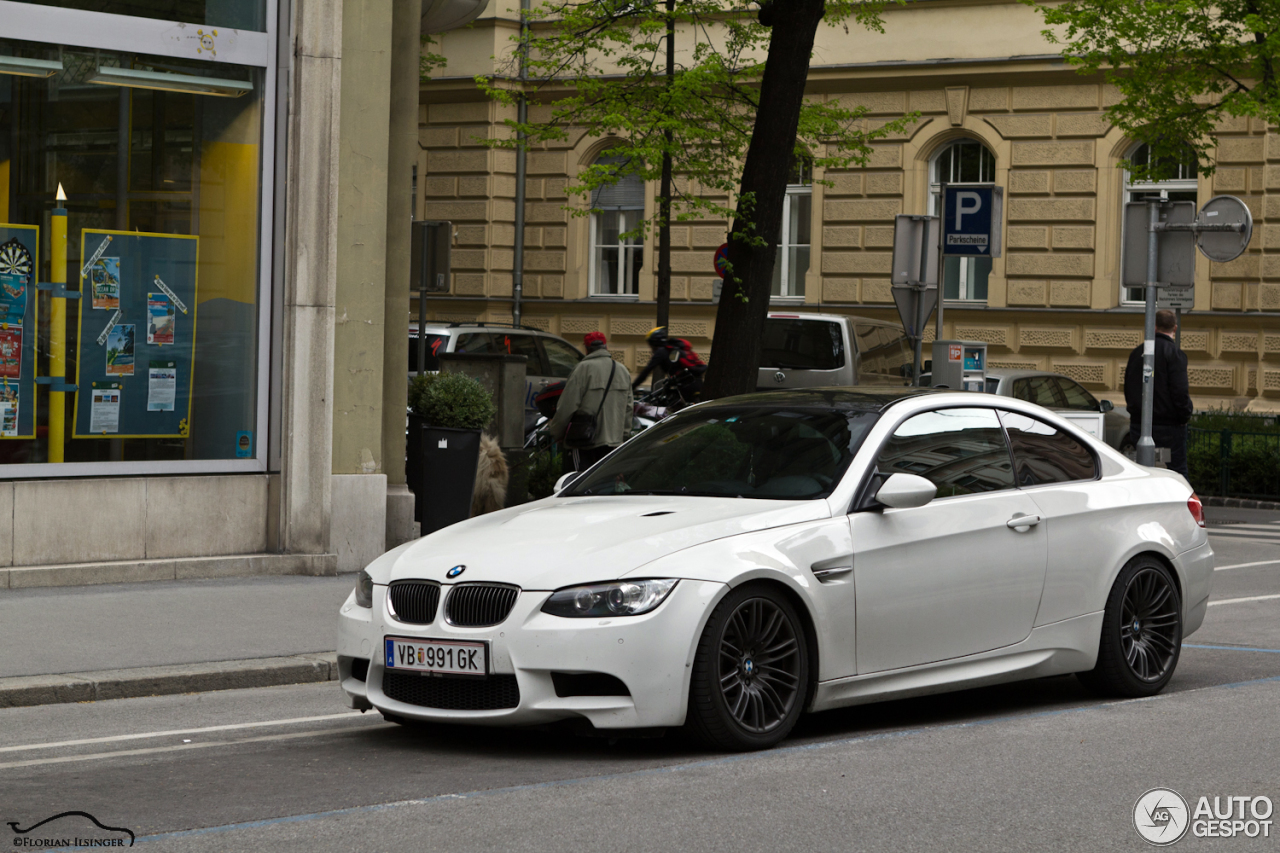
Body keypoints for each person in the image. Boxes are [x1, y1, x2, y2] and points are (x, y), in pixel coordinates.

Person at [547, 332, 633, 471]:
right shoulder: (622, 371)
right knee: (603, 485)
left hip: (583, 441)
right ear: (606, 347)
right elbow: (628, 408)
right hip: (613, 442)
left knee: (577, 483)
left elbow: (567, 406)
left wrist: (556, 432)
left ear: (586, 349)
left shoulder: (582, 369)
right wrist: (623, 436)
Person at [1124, 309, 1193, 477]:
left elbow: (1128, 387)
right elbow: (1180, 391)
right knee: (1175, 472)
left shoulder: (1138, 353)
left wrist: (1135, 413)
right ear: (1174, 329)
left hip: (1140, 425)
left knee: (1143, 472)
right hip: (1169, 427)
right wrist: (1184, 416)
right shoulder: (1175, 354)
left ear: (1153, 327)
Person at [632, 326, 707, 405]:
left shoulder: (661, 352)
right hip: (696, 382)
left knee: (675, 409)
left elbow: (646, 371)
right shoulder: (674, 348)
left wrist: (633, 386)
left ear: (654, 342)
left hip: (685, 386)